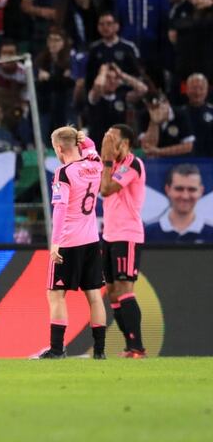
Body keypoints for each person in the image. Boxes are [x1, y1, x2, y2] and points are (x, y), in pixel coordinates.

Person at [39, 128, 106, 360]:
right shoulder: (95, 164)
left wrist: (55, 243)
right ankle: (100, 352)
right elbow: (91, 146)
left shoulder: (64, 172)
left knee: (56, 294)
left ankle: (57, 350)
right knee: (94, 295)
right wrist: (83, 138)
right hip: (91, 240)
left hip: (68, 241)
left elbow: (60, 208)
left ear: (59, 148)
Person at [98, 124, 147, 358]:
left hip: (127, 235)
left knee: (125, 288)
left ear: (125, 143)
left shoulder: (132, 164)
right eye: (106, 137)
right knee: (112, 292)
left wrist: (107, 160)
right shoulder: (111, 165)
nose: (107, 142)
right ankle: (129, 346)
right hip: (109, 234)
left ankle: (138, 347)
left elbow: (106, 189)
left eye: (112, 138)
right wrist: (106, 162)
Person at [144, 164, 213, 243]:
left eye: (191, 189)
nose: (185, 196)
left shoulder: (211, 233)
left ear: (201, 191)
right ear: (167, 189)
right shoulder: (146, 233)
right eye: (179, 189)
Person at [139, 92, 195, 158]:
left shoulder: (181, 115)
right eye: (152, 108)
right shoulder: (144, 115)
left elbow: (188, 146)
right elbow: (148, 147)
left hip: (181, 160)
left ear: (167, 103)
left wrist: (159, 151)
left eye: (158, 106)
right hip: (155, 160)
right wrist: (154, 122)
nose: (156, 110)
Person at [184, 73, 213, 157]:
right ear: (187, 90)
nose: (197, 92)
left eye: (201, 88)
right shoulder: (178, 113)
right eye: (194, 88)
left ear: (207, 90)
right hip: (184, 161)